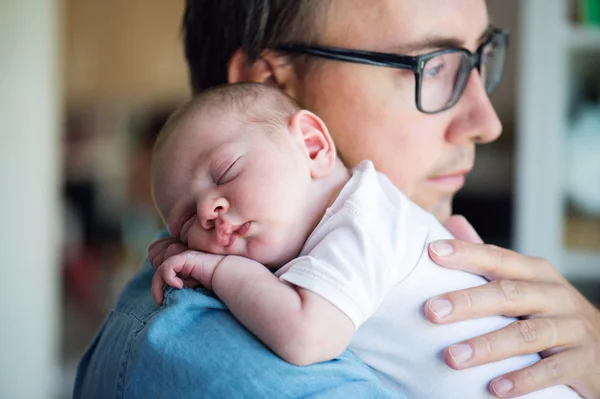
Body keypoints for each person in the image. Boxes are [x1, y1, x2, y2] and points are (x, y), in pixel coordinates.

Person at [74, 1, 600, 398]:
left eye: (481, 59)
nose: (486, 122)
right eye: (434, 65)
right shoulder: (221, 360)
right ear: (277, 88)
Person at [149, 82, 578, 399]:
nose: (208, 211)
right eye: (186, 220)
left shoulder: (361, 220)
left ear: (313, 146)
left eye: (226, 172)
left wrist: (222, 270)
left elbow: (307, 336)